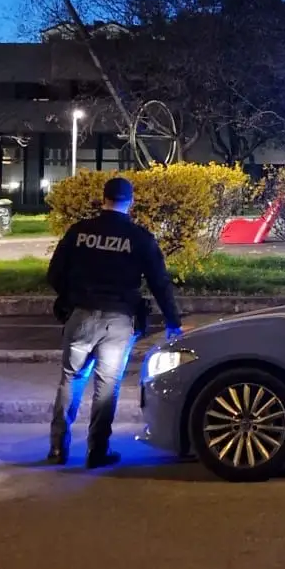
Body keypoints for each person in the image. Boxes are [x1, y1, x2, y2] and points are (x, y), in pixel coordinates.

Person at [46, 176, 181, 469]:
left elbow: (54, 274)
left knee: (71, 378)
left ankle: (58, 446)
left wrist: (71, 298)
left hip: (81, 315)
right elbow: (159, 282)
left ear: (102, 198)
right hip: (119, 321)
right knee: (107, 386)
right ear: (130, 201)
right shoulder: (139, 238)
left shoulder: (80, 231)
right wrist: (173, 321)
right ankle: (97, 451)